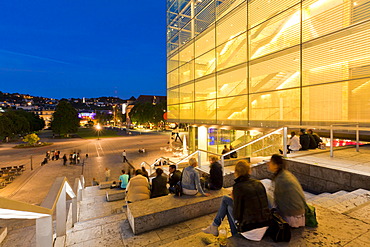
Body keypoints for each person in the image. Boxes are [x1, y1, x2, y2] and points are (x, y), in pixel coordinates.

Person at [202, 160, 270, 241]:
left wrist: (235, 198)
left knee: (227, 206)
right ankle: (214, 226)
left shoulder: (238, 186)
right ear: (249, 170)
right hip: (265, 225)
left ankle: (229, 233)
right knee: (226, 199)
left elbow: (237, 214)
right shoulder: (258, 183)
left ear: (236, 172)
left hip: (250, 230)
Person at [268, 154, 306, 228]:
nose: (268, 164)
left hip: (291, 216)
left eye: (270, 162)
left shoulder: (280, 179)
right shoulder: (286, 174)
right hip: (300, 214)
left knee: (267, 197)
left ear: (276, 165)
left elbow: (275, 202)